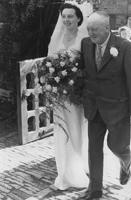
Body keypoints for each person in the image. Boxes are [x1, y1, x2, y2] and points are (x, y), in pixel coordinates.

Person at [80, 11, 131, 199]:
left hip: (118, 108)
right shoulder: (85, 44)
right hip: (94, 106)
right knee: (94, 149)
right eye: (89, 29)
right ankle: (95, 189)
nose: (91, 33)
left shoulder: (125, 47)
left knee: (117, 146)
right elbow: (84, 71)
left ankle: (126, 162)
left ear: (107, 28)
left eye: (95, 30)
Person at [48, 1, 93, 191]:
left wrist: (77, 81)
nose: (66, 20)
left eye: (70, 16)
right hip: (59, 97)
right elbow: (49, 61)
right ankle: (64, 173)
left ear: (78, 18)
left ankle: (79, 168)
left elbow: (90, 67)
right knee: (61, 132)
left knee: (77, 131)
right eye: (64, 16)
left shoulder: (84, 38)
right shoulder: (56, 36)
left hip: (77, 96)